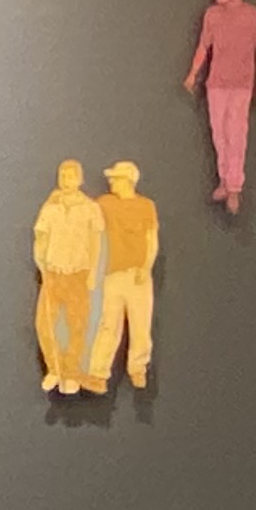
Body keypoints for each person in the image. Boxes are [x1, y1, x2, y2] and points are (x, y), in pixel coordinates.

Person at [185, 0, 256, 209]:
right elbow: (204, 46)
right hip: (216, 83)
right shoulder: (212, 15)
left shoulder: (251, 15)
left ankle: (234, 186)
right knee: (219, 134)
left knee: (237, 134)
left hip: (241, 84)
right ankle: (224, 180)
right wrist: (193, 74)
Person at [32, 161, 104, 392]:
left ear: (80, 179)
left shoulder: (90, 208)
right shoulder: (50, 208)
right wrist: (42, 266)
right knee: (45, 323)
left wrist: (93, 272)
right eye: (63, 176)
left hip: (78, 274)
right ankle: (54, 369)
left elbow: (96, 242)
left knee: (77, 324)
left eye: (71, 176)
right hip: (53, 273)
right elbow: (40, 239)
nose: (66, 181)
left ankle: (71, 372)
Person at [90, 160, 161, 393]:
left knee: (141, 326)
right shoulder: (104, 203)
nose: (111, 182)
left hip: (137, 276)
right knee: (108, 325)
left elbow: (151, 240)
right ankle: (98, 373)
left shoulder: (146, 206)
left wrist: (145, 267)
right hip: (112, 274)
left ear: (128, 181)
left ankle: (138, 368)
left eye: (116, 179)